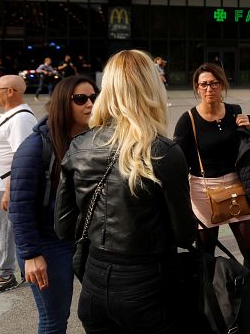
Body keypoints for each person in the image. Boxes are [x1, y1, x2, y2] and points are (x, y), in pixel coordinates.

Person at [54, 50, 196, 333]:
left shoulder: (80, 145)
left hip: (94, 283)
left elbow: (63, 226)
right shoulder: (162, 151)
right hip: (148, 285)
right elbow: (185, 234)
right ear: (151, 89)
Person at [173, 63, 250, 323]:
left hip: (237, 188)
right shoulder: (188, 119)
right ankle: (207, 312)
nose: (209, 88)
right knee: (204, 256)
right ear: (197, 88)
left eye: (214, 83)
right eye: (203, 84)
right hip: (203, 191)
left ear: (222, 85)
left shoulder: (236, 112)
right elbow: (177, 160)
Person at [9, 75, 98, 332]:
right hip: (48, 245)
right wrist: (31, 255)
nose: (90, 104)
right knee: (54, 319)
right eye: (81, 99)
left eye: (94, 97)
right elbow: (20, 207)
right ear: (62, 103)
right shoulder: (35, 148)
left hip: (83, 241)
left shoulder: (91, 141)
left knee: (102, 309)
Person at [0, 75, 37, 296]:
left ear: (10, 91)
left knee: (3, 231)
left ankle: (4, 274)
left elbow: (23, 157)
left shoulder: (21, 119)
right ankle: (15, 268)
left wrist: (10, 189)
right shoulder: (13, 116)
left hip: (2, 187)